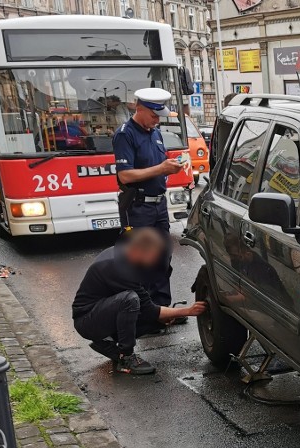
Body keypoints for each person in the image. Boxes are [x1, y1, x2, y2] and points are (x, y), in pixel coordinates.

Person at [72, 228, 206, 375]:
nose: (154, 260)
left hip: (102, 311)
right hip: (87, 320)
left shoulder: (126, 254)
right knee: (130, 300)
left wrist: (166, 315)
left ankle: (106, 342)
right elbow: (149, 310)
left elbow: (147, 305)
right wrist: (188, 311)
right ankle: (126, 358)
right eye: (153, 256)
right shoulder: (120, 269)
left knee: (156, 320)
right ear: (139, 251)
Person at [112, 87, 183, 308]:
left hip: (158, 205)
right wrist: (161, 169)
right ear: (138, 107)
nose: (156, 120)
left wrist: (172, 166)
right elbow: (125, 174)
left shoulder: (155, 132)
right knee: (141, 260)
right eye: (153, 115)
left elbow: (157, 165)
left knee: (163, 257)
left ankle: (161, 310)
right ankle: (142, 314)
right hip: (138, 207)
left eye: (159, 116)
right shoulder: (125, 134)